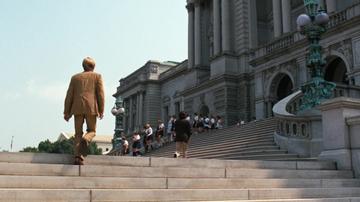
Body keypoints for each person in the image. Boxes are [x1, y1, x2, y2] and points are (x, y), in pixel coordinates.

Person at [64, 57, 105, 165]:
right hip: (91, 108)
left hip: (77, 108)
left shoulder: (75, 78)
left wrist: (66, 112)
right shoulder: (97, 76)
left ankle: (78, 157)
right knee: (92, 131)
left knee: (78, 133)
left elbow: (69, 95)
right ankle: (86, 139)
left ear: (83, 66)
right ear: (93, 66)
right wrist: (101, 110)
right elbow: (100, 95)